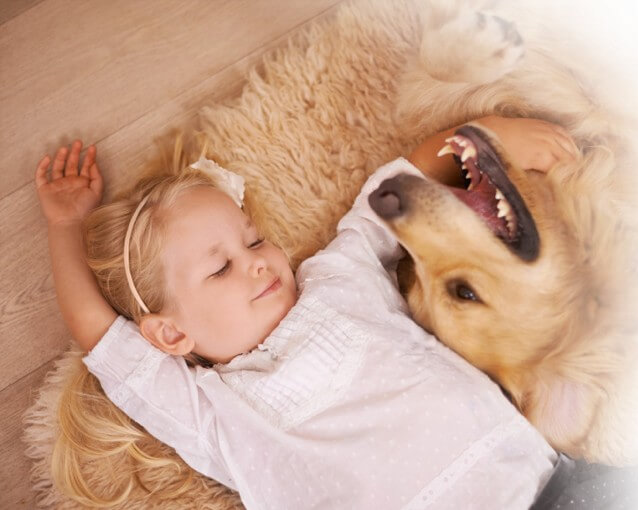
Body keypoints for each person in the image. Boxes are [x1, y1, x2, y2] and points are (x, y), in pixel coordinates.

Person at [36, 116, 578, 509]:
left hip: (539, 483)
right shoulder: (214, 412)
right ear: (171, 332)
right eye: (220, 269)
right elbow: (100, 336)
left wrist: (485, 138)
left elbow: (393, 195)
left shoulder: (335, 279)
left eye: (255, 240)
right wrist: (65, 227)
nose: (256, 263)